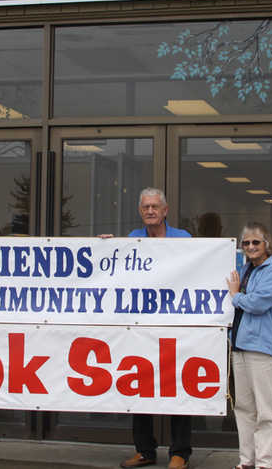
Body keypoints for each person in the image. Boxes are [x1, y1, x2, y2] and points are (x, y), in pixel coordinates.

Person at [118, 188, 193, 469]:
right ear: (141, 212)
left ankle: (180, 453)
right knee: (140, 385)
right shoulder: (131, 240)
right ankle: (145, 451)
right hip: (142, 326)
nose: (150, 211)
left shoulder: (183, 239)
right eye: (145, 207)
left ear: (165, 211)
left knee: (178, 386)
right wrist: (105, 247)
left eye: (155, 206)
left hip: (176, 324)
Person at [226, 223, 272, 469]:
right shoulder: (245, 269)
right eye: (246, 243)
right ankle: (247, 460)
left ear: (266, 244)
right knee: (244, 408)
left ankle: (264, 463)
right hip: (240, 347)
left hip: (262, 349)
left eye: (255, 242)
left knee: (266, 411)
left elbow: (258, 303)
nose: (250, 247)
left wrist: (235, 295)